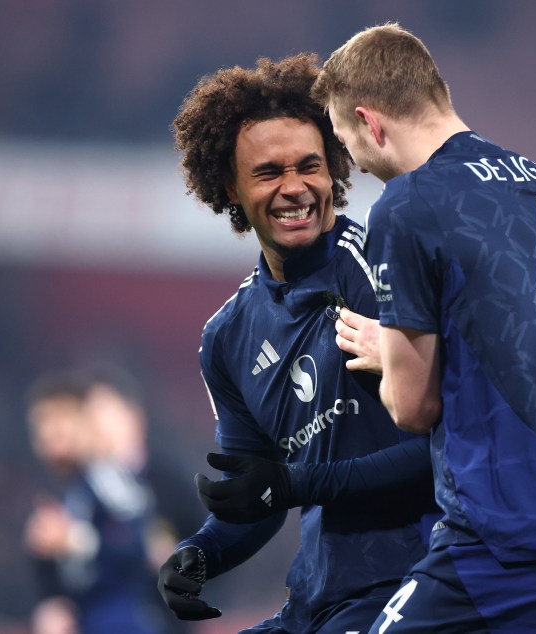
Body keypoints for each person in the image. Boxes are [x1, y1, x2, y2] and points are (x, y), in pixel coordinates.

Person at [312, 23, 536, 633]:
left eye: (344, 139)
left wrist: (391, 359)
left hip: (510, 541)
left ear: (371, 122)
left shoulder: (410, 203)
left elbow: (415, 407)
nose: (354, 163)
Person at [156, 53, 438, 633]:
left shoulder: (379, 267)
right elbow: (256, 500)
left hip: (417, 581)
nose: (295, 188)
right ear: (229, 186)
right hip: (319, 593)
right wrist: (202, 553)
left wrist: (295, 484)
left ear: (335, 167)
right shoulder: (226, 338)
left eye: (310, 166)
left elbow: (449, 443)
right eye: (268, 173)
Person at [24, 369, 179, 634]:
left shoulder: (108, 478)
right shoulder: (68, 489)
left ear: (85, 423)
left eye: (59, 421)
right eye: (42, 424)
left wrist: (74, 540)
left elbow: (140, 546)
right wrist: (51, 603)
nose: (50, 434)